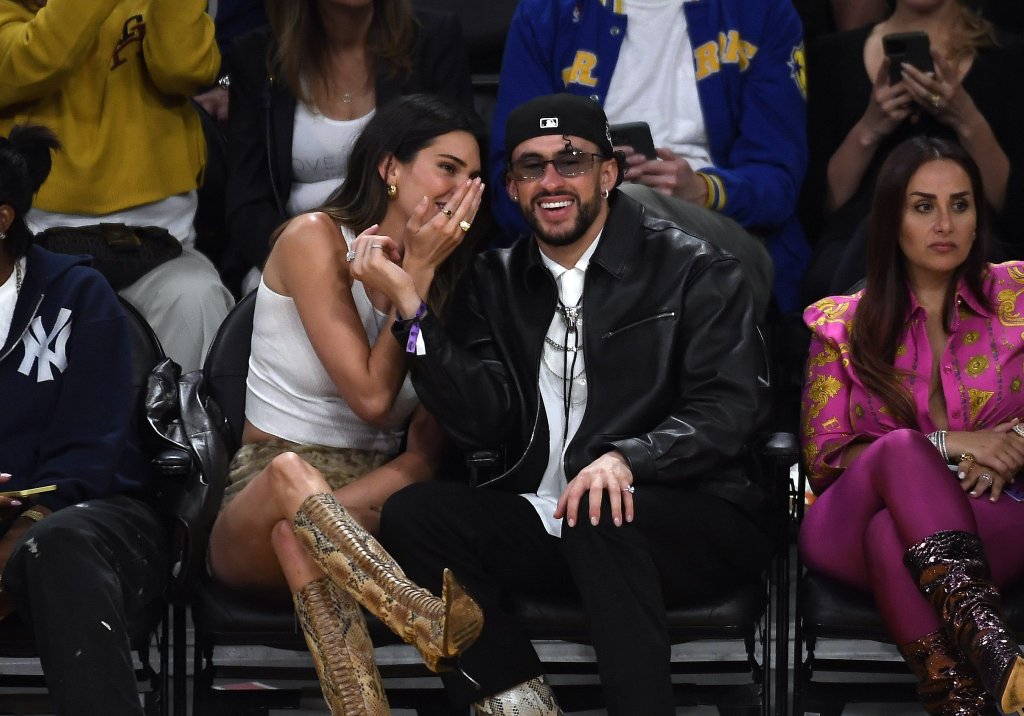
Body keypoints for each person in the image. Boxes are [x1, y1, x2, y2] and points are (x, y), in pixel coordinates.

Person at [369, 93, 774, 715]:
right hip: (550, 518)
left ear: (608, 174)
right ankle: (520, 706)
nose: (550, 182)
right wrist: (413, 315)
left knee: (599, 514)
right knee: (414, 517)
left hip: (688, 515)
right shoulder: (494, 280)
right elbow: (484, 421)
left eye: (571, 162)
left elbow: (728, 408)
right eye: (531, 168)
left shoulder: (696, 270)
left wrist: (627, 459)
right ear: (510, 187)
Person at [207, 94, 487, 714]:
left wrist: (416, 283)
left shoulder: (449, 276)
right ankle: (415, 608)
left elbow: (424, 451)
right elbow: (371, 396)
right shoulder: (315, 239)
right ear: (390, 167)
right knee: (289, 487)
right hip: (265, 487)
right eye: (447, 168)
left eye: (473, 177)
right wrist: (411, 273)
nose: (461, 190)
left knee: (300, 537)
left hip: (375, 497)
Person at [800, 135, 1024, 715]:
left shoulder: (1018, 297)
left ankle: (964, 700)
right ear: (890, 220)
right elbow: (824, 459)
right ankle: (996, 654)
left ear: (979, 215)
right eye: (923, 206)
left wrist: (1016, 442)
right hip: (844, 524)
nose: (944, 223)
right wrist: (948, 444)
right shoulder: (842, 323)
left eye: (961, 203)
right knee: (900, 450)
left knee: (891, 537)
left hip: (990, 512)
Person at [486, 0, 811, 316]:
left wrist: (703, 189)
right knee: (615, 206)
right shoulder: (547, 12)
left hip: (722, 229)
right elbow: (510, 175)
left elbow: (778, 182)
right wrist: (583, 173)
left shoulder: (762, 10)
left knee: (628, 204)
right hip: (575, 217)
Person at [0, 125, 168, 715]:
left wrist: (26, 508)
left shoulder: (77, 295)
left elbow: (91, 447)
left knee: (55, 545)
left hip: (87, 512)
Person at [0, 0, 235, 373]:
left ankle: (179, 433)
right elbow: (31, 61)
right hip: (31, 248)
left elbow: (185, 68)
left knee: (198, 299)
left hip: (162, 243)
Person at [222, 0, 475, 295]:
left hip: (405, 253)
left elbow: (459, 168)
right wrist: (307, 261)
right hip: (287, 253)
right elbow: (246, 200)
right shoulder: (257, 56)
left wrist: (407, 260)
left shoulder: (434, 39)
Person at [800, 0, 1024, 303]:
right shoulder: (830, 55)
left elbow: (1013, 208)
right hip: (855, 252)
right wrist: (870, 127)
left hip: (971, 243)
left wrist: (967, 120)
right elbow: (817, 208)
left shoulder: (1009, 58)